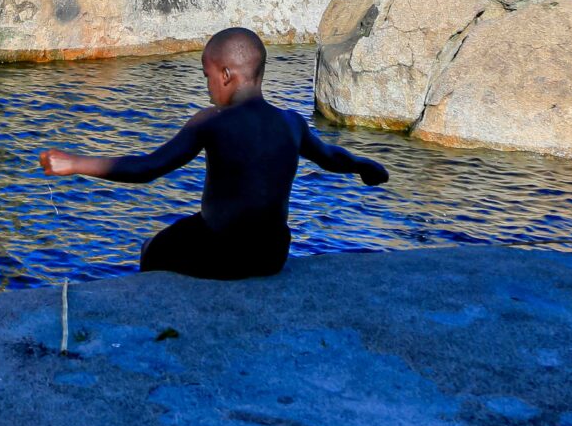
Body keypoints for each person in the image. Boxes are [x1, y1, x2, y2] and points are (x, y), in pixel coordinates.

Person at [36, 26, 389, 280]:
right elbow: (330, 156)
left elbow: (148, 168)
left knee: (150, 248)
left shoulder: (212, 122)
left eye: (206, 77)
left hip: (221, 252)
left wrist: (75, 163)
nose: (206, 88)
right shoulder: (291, 122)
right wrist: (363, 165)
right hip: (272, 255)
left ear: (225, 75)